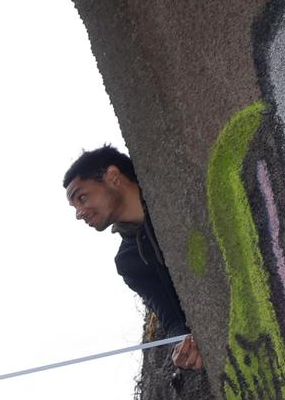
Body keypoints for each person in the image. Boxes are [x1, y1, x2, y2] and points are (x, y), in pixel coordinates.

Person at [63, 145, 202, 371]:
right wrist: (182, 344)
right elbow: (172, 319)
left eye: (82, 197)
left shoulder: (176, 187)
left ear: (113, 177)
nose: (79, 214)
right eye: (75, 206)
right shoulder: (129, 262)